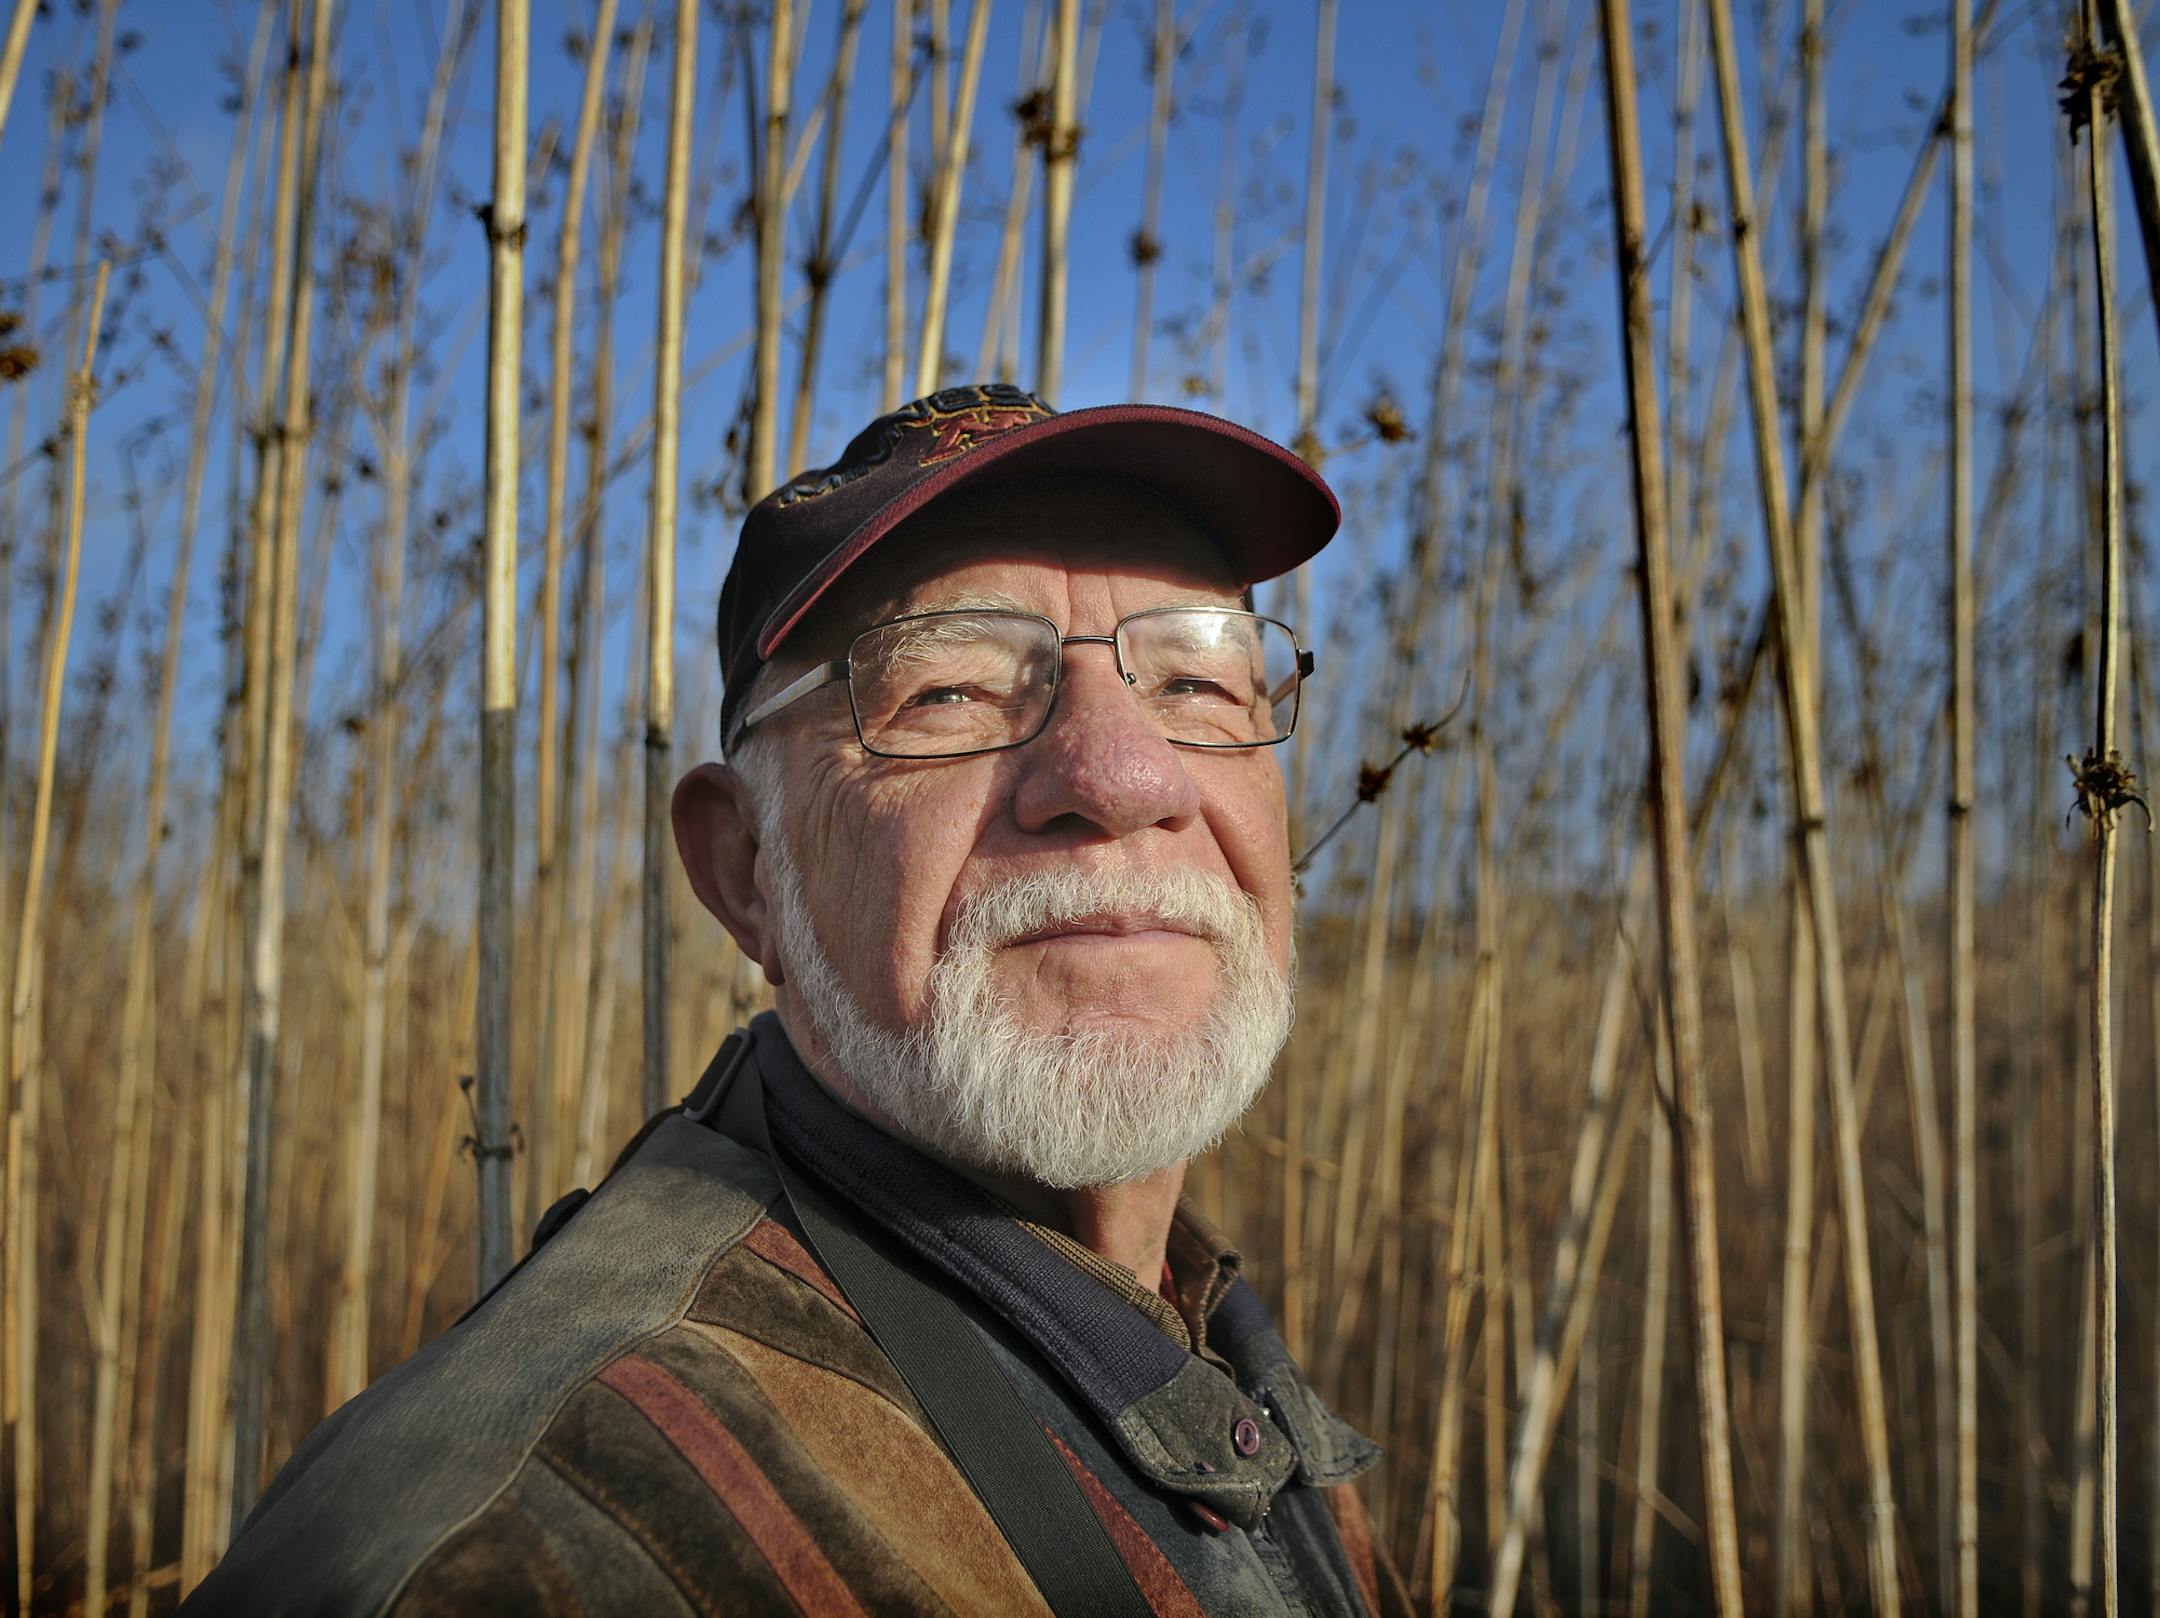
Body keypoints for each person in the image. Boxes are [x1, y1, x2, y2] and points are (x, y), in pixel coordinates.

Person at [184, 383, 1409, 1617]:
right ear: (745, 871)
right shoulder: (542, 1544)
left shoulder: (1214, 1351)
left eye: (1198, 682)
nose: (1122, 773)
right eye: (952, 690)